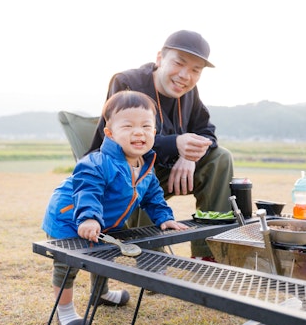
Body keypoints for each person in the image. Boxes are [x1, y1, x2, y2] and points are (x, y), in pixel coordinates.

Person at [42, 90, 187, 325]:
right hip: (68, 218)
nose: (138, 132)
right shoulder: (97, 163)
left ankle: (101, 294)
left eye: (145, 126)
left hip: (106, 223)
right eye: (128, 126)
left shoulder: (145, 167)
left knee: (105, 255)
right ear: (109, 133)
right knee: (67, 265)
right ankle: (64, 310)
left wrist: (165, 218)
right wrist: (87, 217)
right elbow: (87, 191)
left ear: (154, 133)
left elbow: (153, 197)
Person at [89, 30, 234, 259]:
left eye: (196, 70)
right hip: (120, 175)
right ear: (160, 58)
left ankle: (208, 254)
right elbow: (120, 141)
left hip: (168, 173)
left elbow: (207, 132)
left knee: (220, 158)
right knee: (138, 167)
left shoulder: (189, 93)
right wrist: (176, 144)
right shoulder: (127, 82)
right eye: (179, 63)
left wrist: (189, 156)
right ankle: (151, 260)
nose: (186, 76)